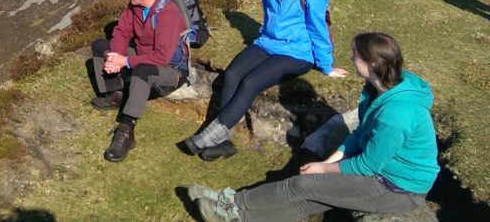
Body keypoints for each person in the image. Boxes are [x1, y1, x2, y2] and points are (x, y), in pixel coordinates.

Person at [188, 32, 440, 221]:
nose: (351, 58)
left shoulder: (397, 114)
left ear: (371, 64)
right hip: (384, 174)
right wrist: (332, 160)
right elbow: (362, 131)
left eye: (355, 55)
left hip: (398, 188)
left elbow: (368, 165)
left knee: (301, 185)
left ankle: (233, 204)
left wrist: (324, 167)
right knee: (309, 198)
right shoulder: (377, 89)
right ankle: (236, 214)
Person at [182, 0, 347, 161]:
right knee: (232, 74)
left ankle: (208, 137)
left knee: (251, 82)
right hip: (267, 43)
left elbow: (319, 32)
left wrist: (326, 66)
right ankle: (224, 141)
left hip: (297, 53)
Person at [89, 0, 189, 162]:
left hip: (171, 70)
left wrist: (125, 60)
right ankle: (115, 95)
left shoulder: (168, 14)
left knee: (141, 70)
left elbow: (162, 57)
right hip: (145, 55)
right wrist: (115, 57)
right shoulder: (135, 7)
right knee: (101, 46)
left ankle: (126, 132)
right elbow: (122, 31)